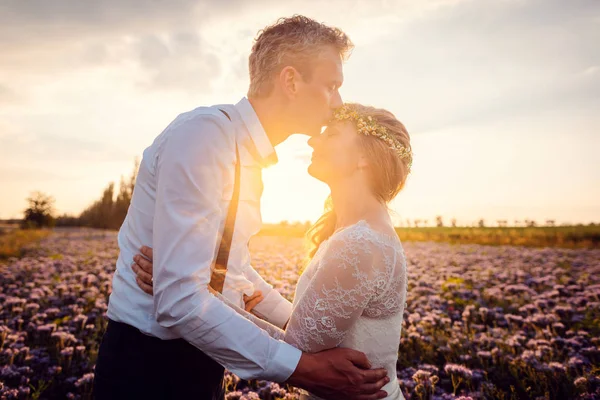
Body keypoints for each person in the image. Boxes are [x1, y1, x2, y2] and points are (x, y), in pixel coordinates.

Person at [93, 15, 390, 400]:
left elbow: (232, 272)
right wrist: (301, 367)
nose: (338, 102)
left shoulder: (247, 156)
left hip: (201, 356)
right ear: (291, 81)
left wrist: (304, 333)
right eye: (331, 86)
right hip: (148, 368)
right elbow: (180, 299)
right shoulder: (205, 137)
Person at [133, 103, 413, 399]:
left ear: (363, 158)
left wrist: (188, 287)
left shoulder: (359, 243)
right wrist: (189, 279)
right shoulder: (359, 231)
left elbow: (298, 353)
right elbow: (308, 334)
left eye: (330, 135)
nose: (312, 140)